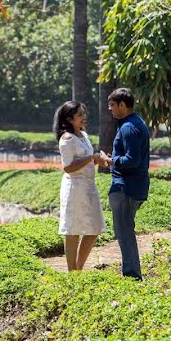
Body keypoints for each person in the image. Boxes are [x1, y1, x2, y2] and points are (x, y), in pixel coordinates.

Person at [95, 88, 151, 280]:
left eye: (112, 105)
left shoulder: (128, 127)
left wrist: (111, 161)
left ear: (122, 105)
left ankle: (132, 276)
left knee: (124, 232)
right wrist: (116, 159)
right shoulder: (134, 123)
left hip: (126, 188)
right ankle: (132, 274)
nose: (110, 109)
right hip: (132, 185)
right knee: (125, 231)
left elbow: (132, 160)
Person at [53, 101, 107, 271]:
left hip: (89, 186)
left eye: (84, 114)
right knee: (73, 230)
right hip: (74, 187)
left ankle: (78, 268)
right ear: (69, 119)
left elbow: (87, 159)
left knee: (94, 228)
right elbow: (68, 167)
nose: (84, 117)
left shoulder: (83, 134)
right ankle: (72, 272)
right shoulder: (67, 139)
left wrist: (98, 159)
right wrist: (91, 158)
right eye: (80, 115)